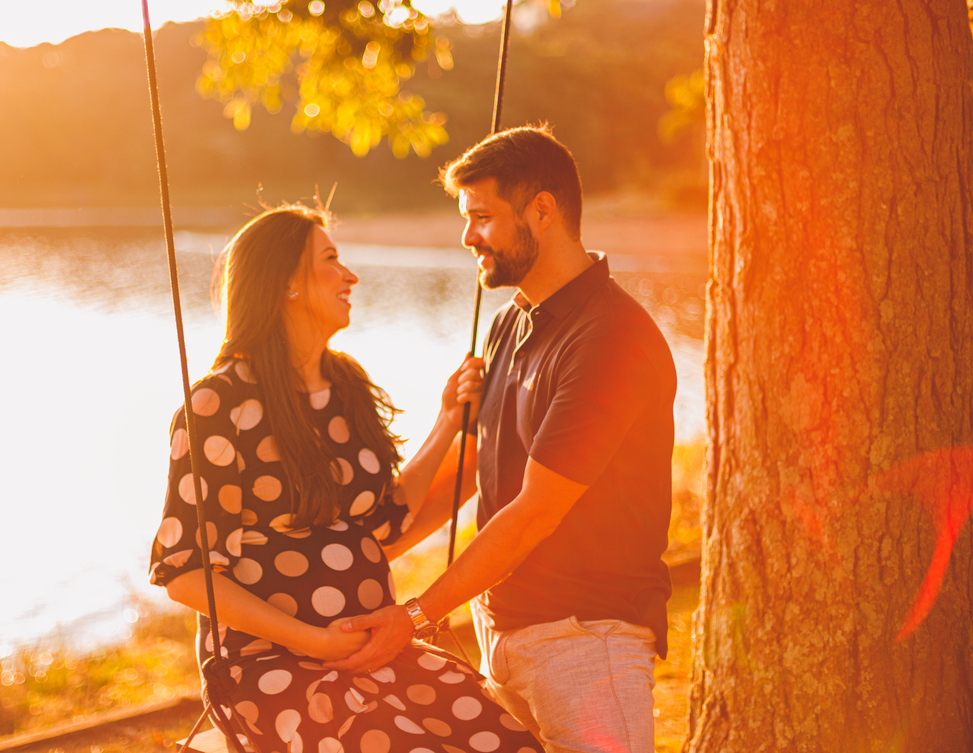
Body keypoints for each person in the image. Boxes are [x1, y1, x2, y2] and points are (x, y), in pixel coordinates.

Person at [330, 126, 677, 753]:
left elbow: (535, 511)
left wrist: (416, 616)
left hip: (587, 643)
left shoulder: (610, 339)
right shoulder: (509, 323)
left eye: (483, 217)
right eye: (468, 219)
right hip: (503, 633)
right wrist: (357, 554)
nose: (469, 238)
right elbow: (473, 473)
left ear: (541, 210)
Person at [149, 205, 542, 753]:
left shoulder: (345, 384)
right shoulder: (219, 404)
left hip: (377, 651)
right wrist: (317, 643)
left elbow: (382, 518)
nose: (350, 275)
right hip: (270, 670)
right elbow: (187, 571)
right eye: (331, 260)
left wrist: (449, 423)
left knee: (509, 744)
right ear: (285, 283)